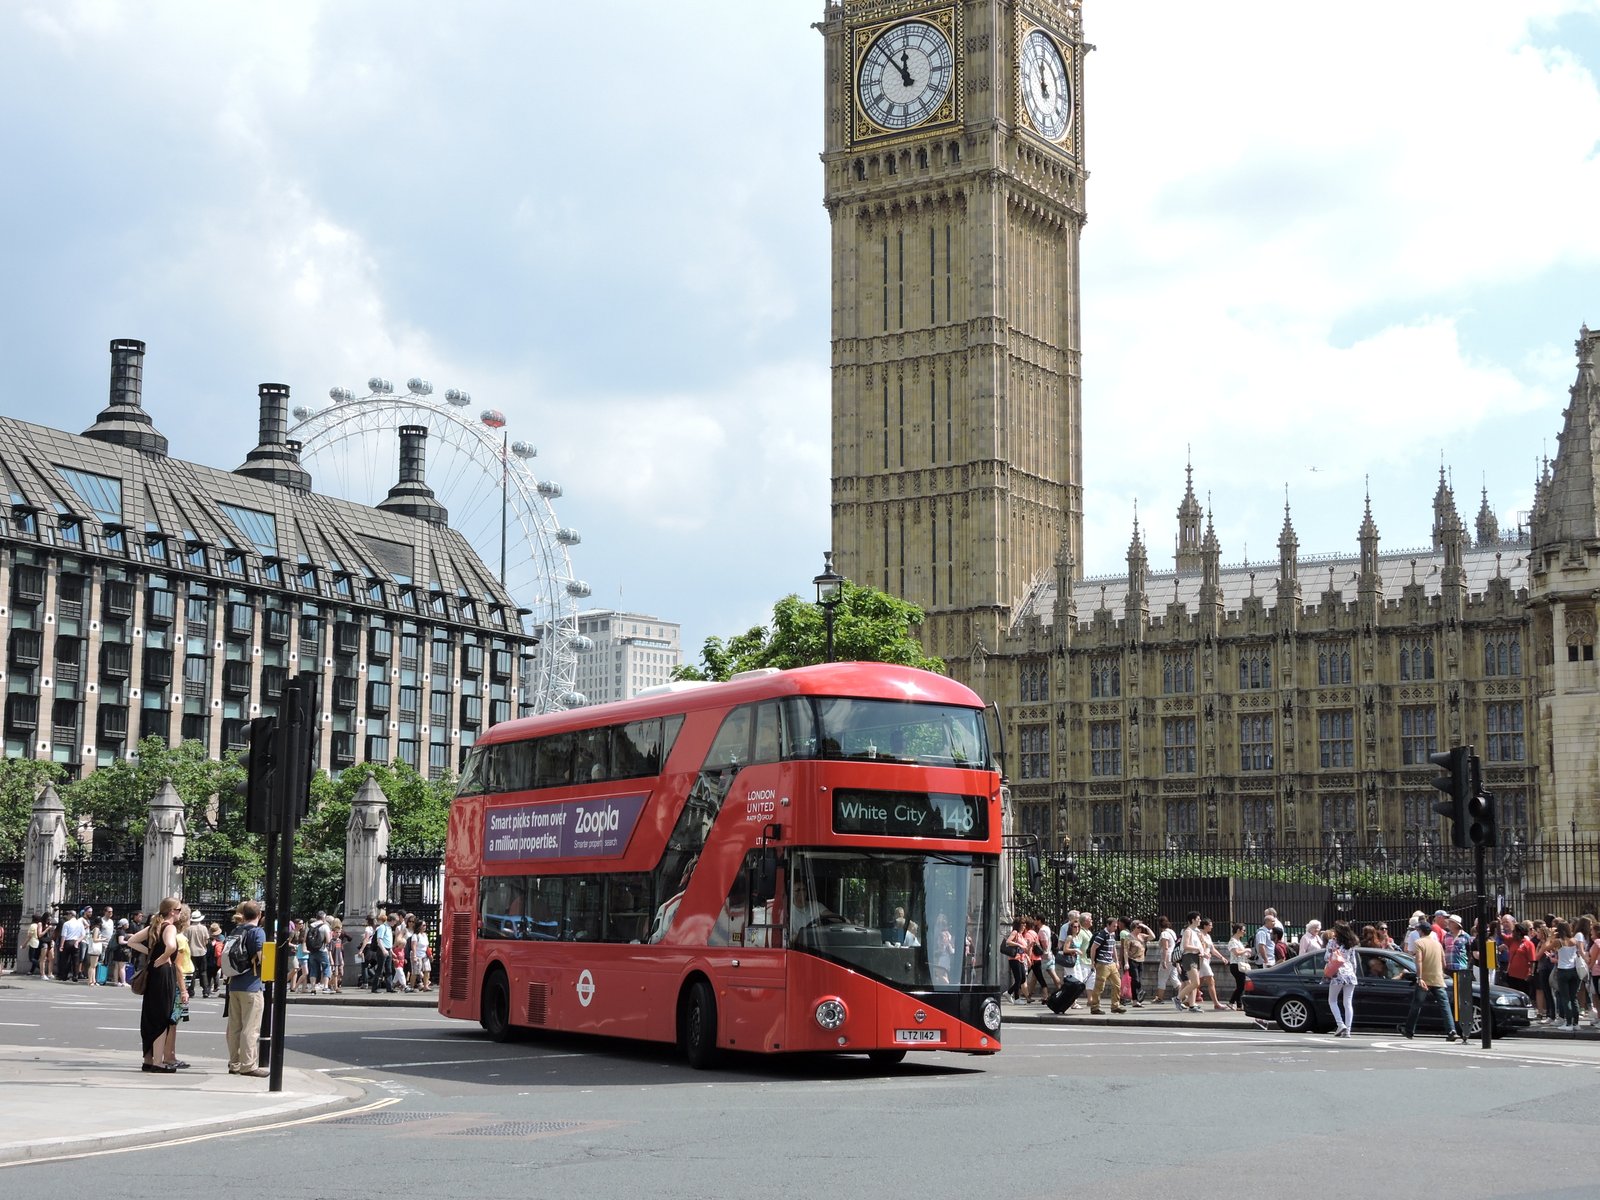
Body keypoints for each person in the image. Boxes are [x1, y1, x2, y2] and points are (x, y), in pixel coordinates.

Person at [126, 897, 182, 1073]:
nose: (180, 913)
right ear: (172, 911)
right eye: (179, 909)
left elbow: (132, 941)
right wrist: (164, 957)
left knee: (150, 1015)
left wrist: (151, 953)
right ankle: (158, 1062)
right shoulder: (170, 927)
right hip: (164, 973)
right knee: (162, 1016)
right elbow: (171, 946)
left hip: (152, 973)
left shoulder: (155, 926)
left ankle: (148, 1059)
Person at [226, 901, 269, 1076]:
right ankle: (249, 1065)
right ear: (259, 915)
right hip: (252, 985)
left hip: (234, 984)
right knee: (251, 1028)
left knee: (234, 1027)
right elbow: (261, 958)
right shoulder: (257, 932)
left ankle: (234, 1063)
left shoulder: (236, 930)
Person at [1399, 917, 1458, 1042]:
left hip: (1425, 979)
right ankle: (1451, 1030)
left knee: (1417, 1004)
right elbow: (1444, 963)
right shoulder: (1437, 944)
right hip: (1438, 978)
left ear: (1421, 931)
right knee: (1444, 1005)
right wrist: (1439, 972)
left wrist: (1419, 977)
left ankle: (1409, 1030)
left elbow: (1418, 960)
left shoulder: (1419, 943)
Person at [1087, 916, 1126, 1015]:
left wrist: (1116, 961)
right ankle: (1095, 1007)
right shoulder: (1102, 935)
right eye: (1114, 926)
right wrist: (1092, 963)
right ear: (1108, 925)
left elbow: (1113, 948)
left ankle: (1115, 1006)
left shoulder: (1112, 934)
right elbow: (1093, 948)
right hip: (1102, 964)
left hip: (1111, 963)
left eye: (1116, 926)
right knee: (1100, 986)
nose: (1115, 928)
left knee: (1117, 984)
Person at [1326, 922, 1360, 1037]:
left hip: (1338, 973)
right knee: (1348, 1002)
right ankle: (1348, 1030)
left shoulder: (1332, 942)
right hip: (1350, 973)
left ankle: (1340, 1024)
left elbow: (1327, 957)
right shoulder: (1351, 943)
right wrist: (1353, 973)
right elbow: (1354, 961)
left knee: (1332, 1000)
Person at [1550, 919, 1582, 1031]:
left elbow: (1548, 947)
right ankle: (1576, 1023)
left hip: (1563, 970)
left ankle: (1568, 1023)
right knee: (1573, 998)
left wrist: (1551, 936)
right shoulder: (1574, 940)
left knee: (1565, 998)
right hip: (1574, 970)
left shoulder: (1558, 941)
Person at [1175, 912, 1203, 1012]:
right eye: (1198, 919)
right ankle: (1178, 998)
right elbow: (1186, 946)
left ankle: (1192, 1005)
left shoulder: (1195, 932)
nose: (1200, 920)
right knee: (1195, 982)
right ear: (1193, 920)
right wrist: (1198, 949)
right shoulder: (1188, 931)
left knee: (1194, 983)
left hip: (1194, 957)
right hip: (1189, 957)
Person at [1225, 922, 1252, 1010]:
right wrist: (1246, 950)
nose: (1245, 932)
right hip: (1236, 966)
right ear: (1238, 931)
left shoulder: (1238, 941)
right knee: (1241, 986)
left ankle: (1239, 1005)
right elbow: (1236, 953)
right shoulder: (1232, 941)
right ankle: (1231, 1002)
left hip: (1239, 965)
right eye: (1243, 930)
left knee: (1240, 985)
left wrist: (1246, 954)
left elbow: (1239, 953)